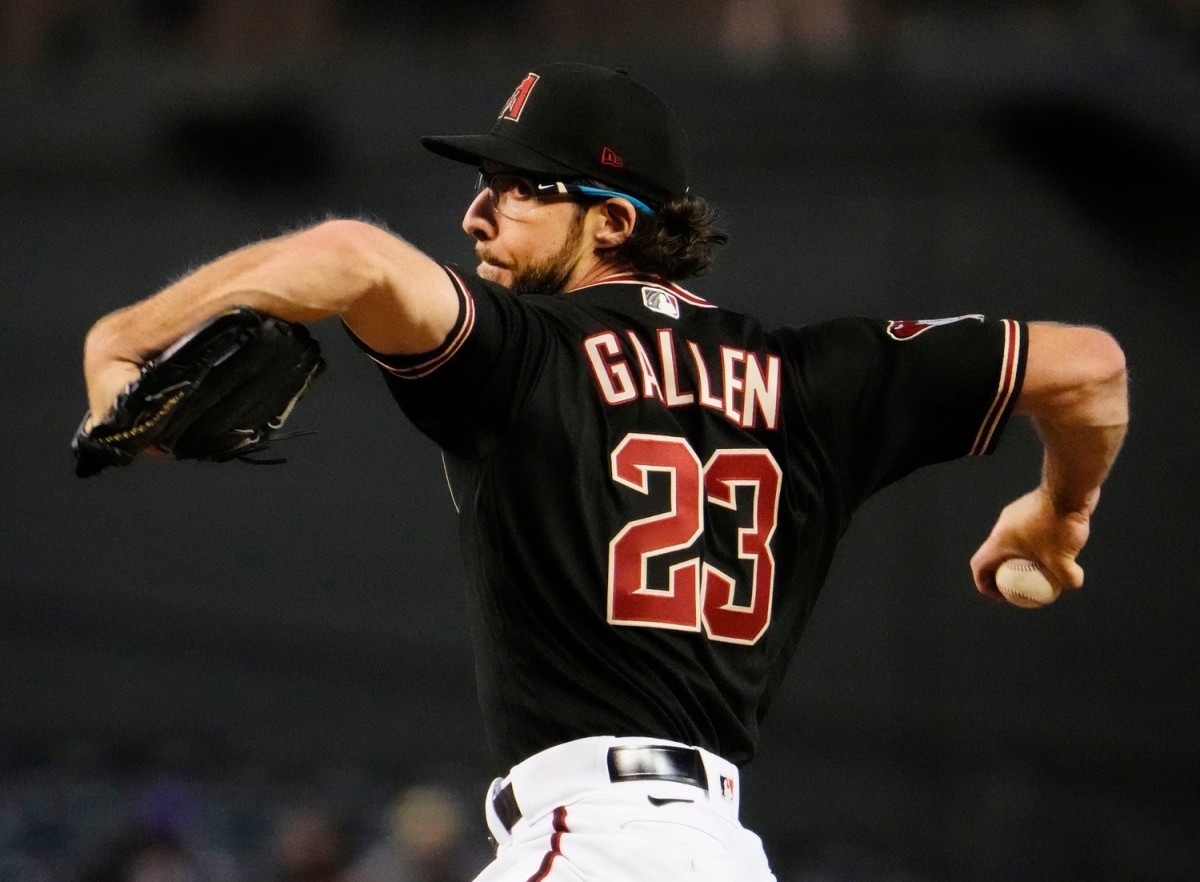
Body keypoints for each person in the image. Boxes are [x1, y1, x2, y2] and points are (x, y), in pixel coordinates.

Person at [80, 63, 1128, 881]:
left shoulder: (525, 355)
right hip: (725, 854)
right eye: (483, 185)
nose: (477, 213)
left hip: (595, 844)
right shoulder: (816, 381)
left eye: (518, 187)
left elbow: (352, 254)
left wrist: (122, 335)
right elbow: (1090, 370)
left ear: (614, 220)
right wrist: (1059, 511)